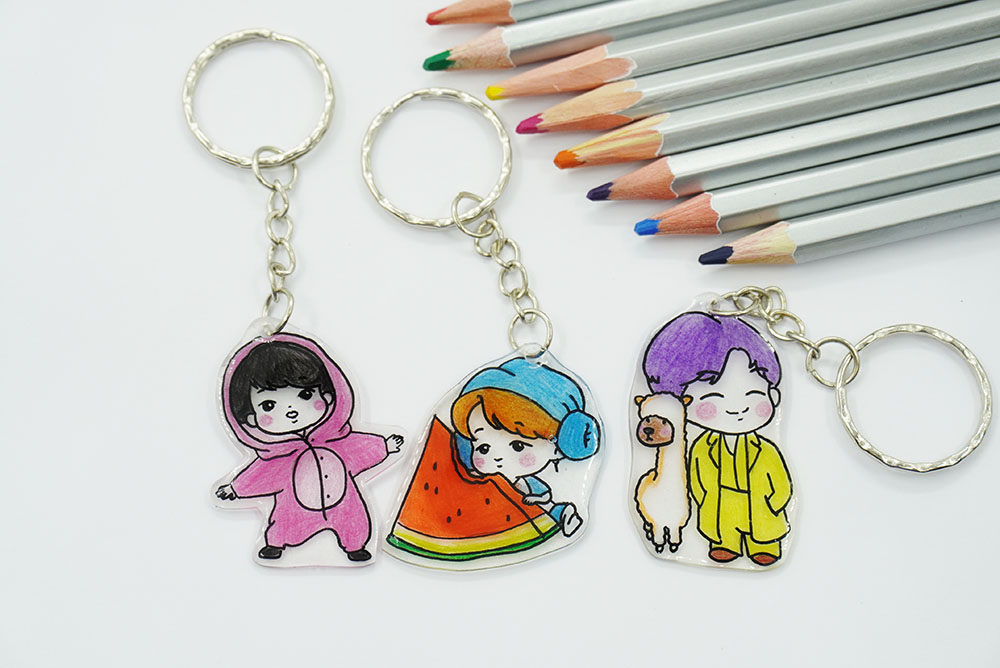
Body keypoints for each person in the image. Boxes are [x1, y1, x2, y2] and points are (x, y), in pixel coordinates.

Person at [215, 334, 402, 562]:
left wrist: (385, 446)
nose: (292, 411)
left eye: (305, 395)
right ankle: (275, 544)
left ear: (329, 395)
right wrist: (235, 489)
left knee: (354, 521)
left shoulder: (339, 441)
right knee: (284, 524)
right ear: (250, 418)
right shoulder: (277, 460)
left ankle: (356, 546)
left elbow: (360, 448)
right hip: (296, 510)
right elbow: (259, 475)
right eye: (269, 405)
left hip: (344, 504)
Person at [643, 312, 792, 566]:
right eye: (713, 399)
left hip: (761, 508)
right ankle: (725, 544)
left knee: (762, 530)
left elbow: (780, 483)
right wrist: (706, 501)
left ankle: (763, 545)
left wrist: (775, 502)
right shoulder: (702, 447)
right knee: (724, 529)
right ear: (682, 402)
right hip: (720, 511)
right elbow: (696, 479)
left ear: (773, 397)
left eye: (753, 394)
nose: (736, 409)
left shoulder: (765, 450)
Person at [451, 358, 601, 537]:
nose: (498, 458)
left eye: (518, 446)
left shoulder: (529, 483)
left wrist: (536, 498)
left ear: (556, 449)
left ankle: (564, 515)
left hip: (535, 514)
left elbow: (545, 495)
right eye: (483, 448)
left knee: (548, 510)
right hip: (490, 522)